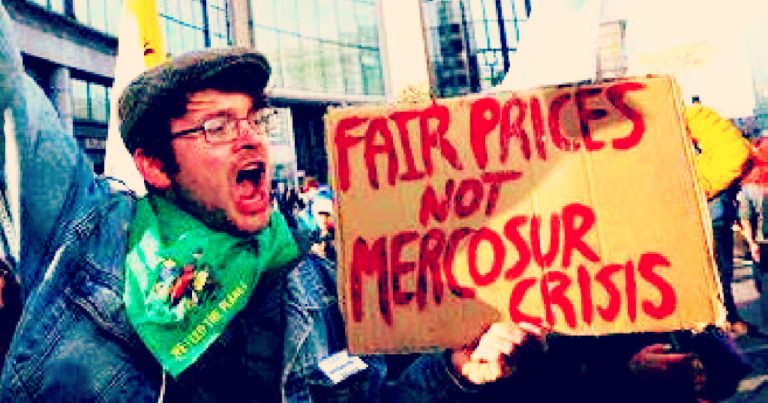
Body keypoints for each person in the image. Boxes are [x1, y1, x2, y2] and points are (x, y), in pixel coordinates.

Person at [0, 4, 542, 401]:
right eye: (217, 126)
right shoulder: (88, 237)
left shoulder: (318, 286)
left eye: (255, 119)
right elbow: (9, 90)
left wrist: (453, 373)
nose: (251, 138)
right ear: (155, 166)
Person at [687, 102, 754, 337]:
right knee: (719, 273)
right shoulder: (691, 119)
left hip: (698, 216)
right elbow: (735, 152)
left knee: (714, 274)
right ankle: (723, 321)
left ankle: (722, 320)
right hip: (710, 217)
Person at [738, 135, 768, 327]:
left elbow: (745, 218)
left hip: (762, 242)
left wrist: (751, 244)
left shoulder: (749, 187)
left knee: (764, 284)